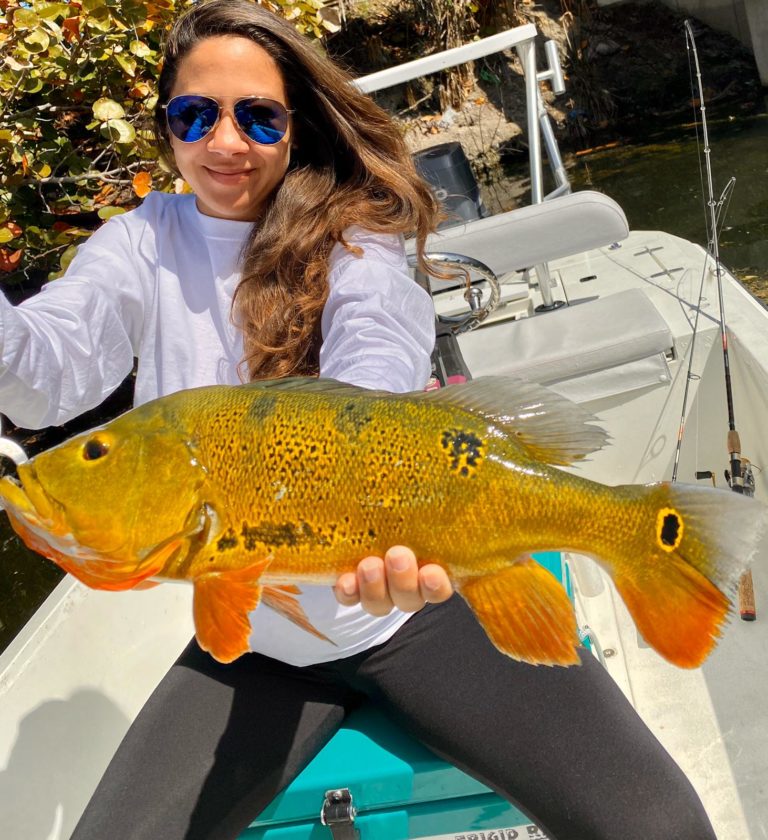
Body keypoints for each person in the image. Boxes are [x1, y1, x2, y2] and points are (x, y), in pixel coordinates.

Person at [0, 2, 717, 838]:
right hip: (268, 650)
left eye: (257, 117)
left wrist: (375, 500)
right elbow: (43, 375)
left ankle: (639, 534)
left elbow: (376, 349)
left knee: (660, 828)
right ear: (166, 130)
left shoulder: (355, 238)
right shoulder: (136, 246)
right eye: (194, 115)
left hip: (417, 614)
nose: (224, 143)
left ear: (295, 127)